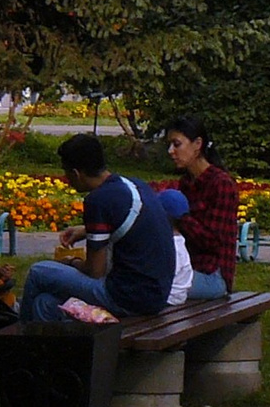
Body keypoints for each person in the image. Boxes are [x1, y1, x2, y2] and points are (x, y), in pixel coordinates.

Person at [19, 132, 179, 323]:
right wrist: (84, 230)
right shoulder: (134, 185)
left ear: (76, 173)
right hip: (157, 294)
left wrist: (71, 262)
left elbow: (95, 271)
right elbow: (127, 223)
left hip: (127, 297)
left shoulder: (97, 200)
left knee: (39, 272)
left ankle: (19, 340)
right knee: (44, 304)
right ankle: (42, 345)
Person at [159, 115, 238, 301]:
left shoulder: (221, 184)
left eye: (176, 144)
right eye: (169, 145)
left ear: (197, 144)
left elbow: (214, 242)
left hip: (213, 276)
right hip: (185, 268)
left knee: (150, 285)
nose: (171, 151)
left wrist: (181, 217)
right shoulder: (186, 182)